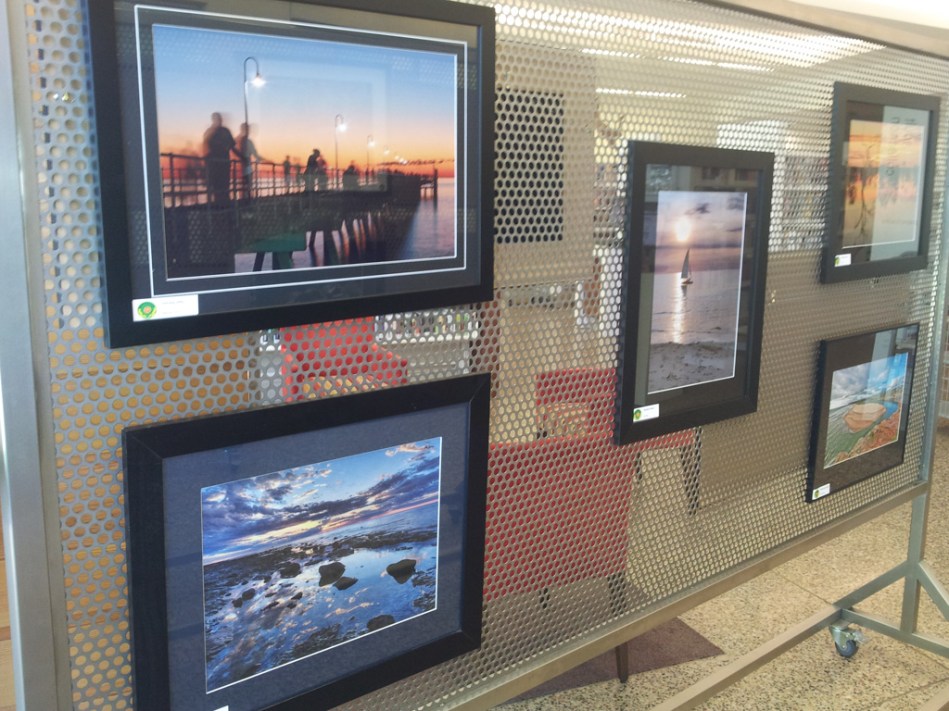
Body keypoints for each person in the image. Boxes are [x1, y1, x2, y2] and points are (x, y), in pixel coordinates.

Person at [202, 112, 239, 204]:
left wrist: (241, 157)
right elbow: (205, 147)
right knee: (218, 186)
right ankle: (219, 206)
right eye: (217, 119)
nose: (219, 120)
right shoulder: (212, 131)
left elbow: (232, 146)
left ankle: (222, 205)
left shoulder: (223, 131)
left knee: (223, 186)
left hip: (222, 163)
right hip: (216, 164)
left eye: (219, 119)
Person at [236, 123, 264, 201]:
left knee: (243, 186)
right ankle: (247, 200)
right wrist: (266, 160)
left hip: (240, 168)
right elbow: (255, 155)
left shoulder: (237, 140)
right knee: (248, 185)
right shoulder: (247, 141)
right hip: (246, 166)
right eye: (248, 129)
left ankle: (244, 199)